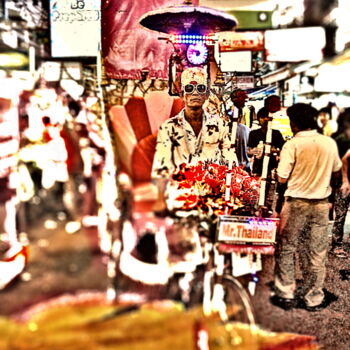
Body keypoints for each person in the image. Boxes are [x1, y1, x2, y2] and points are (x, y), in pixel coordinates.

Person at [271, 103, 342, 311]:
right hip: (321, 205)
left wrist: (277, 172)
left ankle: (285, 292)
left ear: (294, 123)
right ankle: (314, 297)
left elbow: (282, 178)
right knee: (317, 252)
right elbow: (337, 173)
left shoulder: (292, 145)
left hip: (296, 204)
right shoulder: (328, 143)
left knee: (286, 248)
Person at [152, 67, 231, 213]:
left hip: (212, 199)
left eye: (200, 88)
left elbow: (230, 161)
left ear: (207, 94)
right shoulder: (169, 127)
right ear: (182, 94)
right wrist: (159, 199)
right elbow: (161, 165)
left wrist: (230, 194)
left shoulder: (221, 125)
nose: (195, 93)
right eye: (189, 88)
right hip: (179, 198)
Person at [331, 110, 350, 257]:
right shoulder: (341, 139)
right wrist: (344, 180)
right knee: (341, 213)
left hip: (341, 181)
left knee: (341, 213)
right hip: (343, 182)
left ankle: (337, 244)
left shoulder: (337, 138)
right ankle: (336, 245)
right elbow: (344, 159)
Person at [247, 107, 285, 176]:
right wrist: (255, 151)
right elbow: (249, 152)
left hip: (273, 169)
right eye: (262, 117)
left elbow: (284, 150)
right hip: (258, 169)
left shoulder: (276, 134)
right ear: (258, 119)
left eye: (267, 117)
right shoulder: (253, 134)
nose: (265, 119)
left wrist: (274, 151)